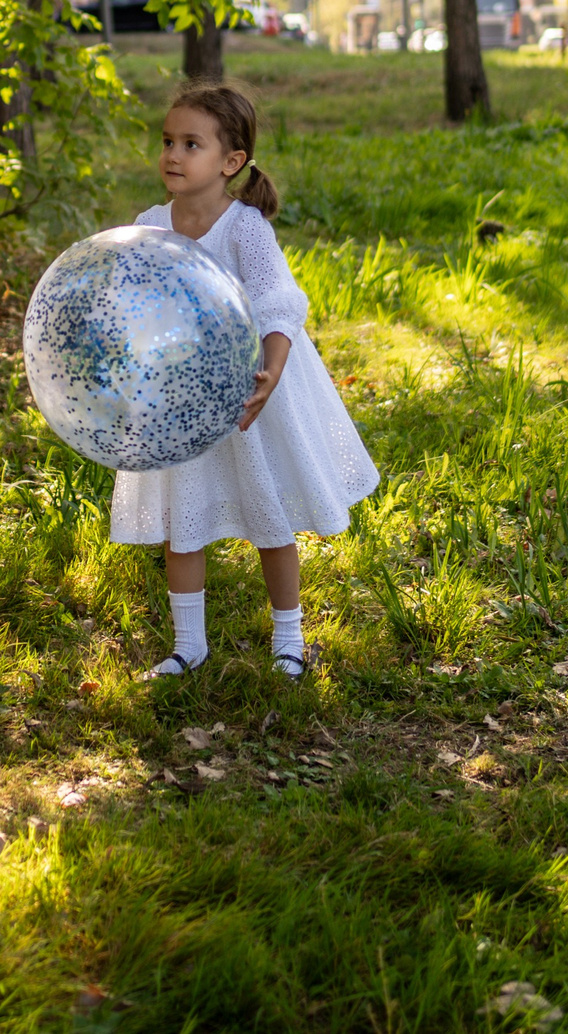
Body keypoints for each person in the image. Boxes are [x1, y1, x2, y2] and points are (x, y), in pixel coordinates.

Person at [112, 83, 380, 679]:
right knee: (183, 519)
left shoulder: (244, 229)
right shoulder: (150, 226)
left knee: (268, 514)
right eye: (168, 142)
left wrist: (272, 374)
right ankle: (189, 645)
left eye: (191, 144)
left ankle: (289, 638)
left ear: (231, 161)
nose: (173, 155)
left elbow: (279, 304)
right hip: (183, 394)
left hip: (249, 392)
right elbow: (137, 305)